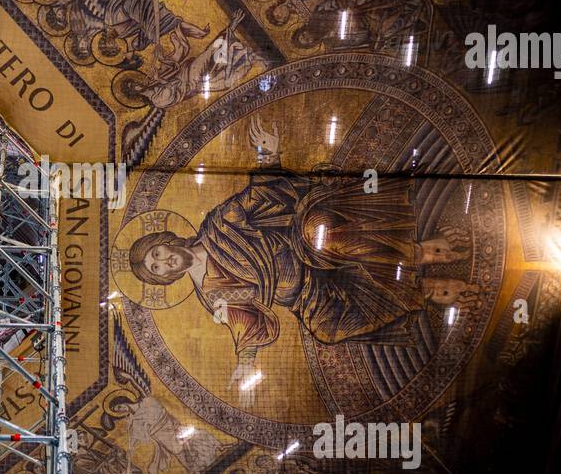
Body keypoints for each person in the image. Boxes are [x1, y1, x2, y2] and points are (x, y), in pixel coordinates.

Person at [128, 118, 477, 391]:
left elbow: (260, 196)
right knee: (326, 328)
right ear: (166, 278)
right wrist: (246, 359)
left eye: (157, 253)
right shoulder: (211, 295)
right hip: (303, 292)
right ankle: (426, 290)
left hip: (302, 239)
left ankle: (423, 253)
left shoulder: (219, 223)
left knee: (320, 237)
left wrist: (269, 157)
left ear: (167, 240)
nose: (164, 261)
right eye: (157, 268)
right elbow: (245, 322)